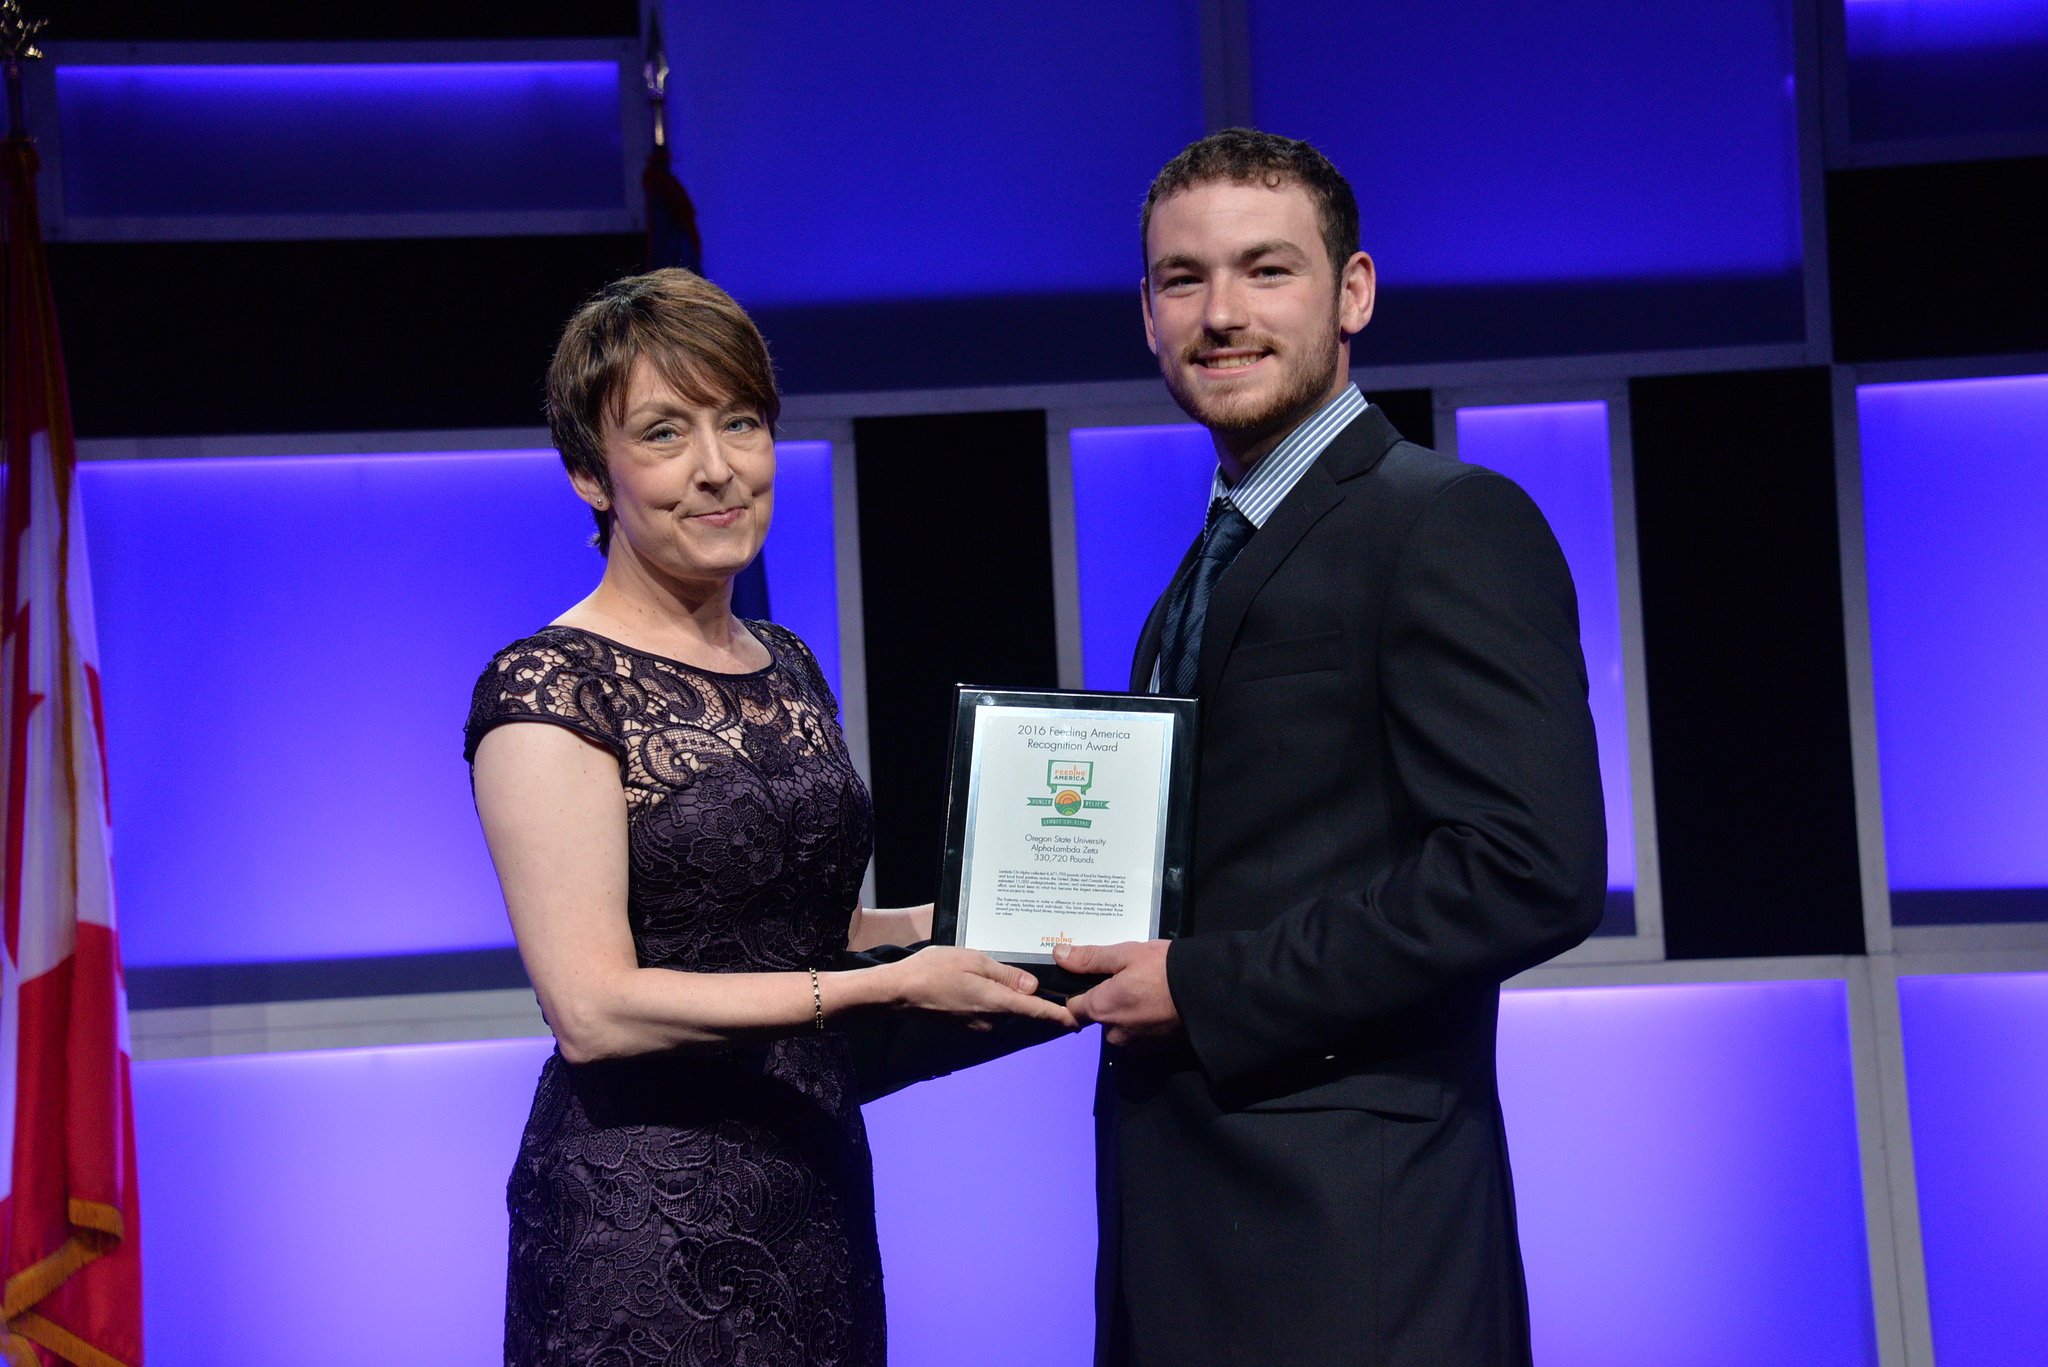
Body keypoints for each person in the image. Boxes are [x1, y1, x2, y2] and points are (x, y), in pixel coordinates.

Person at [1055, 130, 1607, 1365]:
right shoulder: (1203, 566)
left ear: (1351, 291)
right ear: (1145, 313)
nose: (1220, 313)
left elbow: (1531, 867)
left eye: (1266, 269)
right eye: (1183, 278)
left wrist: (1203, 987)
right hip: (1183, 1232)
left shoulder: (1446, 520)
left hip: (1355, 1245)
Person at [464, 268, 1075, 1367]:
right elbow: (593, 1007)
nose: (718, 467)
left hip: (811, 1180)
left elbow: (803, 931)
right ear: (589, 475)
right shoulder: (551, 685)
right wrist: (889, 984)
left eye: (740, 421)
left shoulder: (784, 662)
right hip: (641, 1221)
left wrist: (990, 913)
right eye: (664, 433)